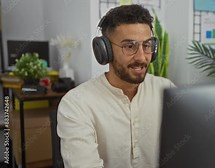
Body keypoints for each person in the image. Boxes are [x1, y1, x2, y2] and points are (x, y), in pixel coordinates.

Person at [57, 4, 175, 168]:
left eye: (147, 45)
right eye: (129, 46)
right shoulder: (76, 103)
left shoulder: (166, 90)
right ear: (104, 50)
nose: (141, 57)